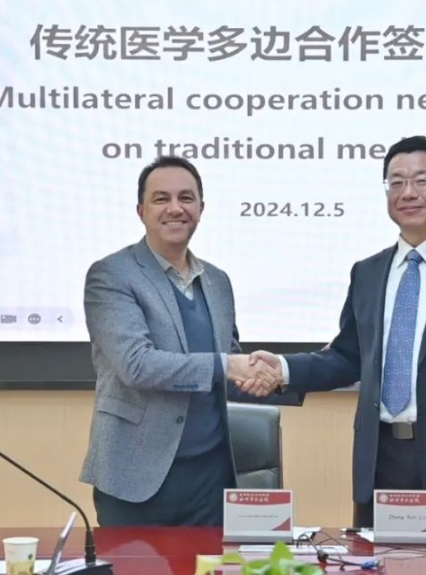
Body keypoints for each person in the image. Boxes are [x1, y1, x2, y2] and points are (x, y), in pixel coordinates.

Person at [244, 136, 426, 528]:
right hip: (380, 463)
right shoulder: (368, 272)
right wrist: (283, 368)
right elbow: (348, 357)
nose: (407, 193)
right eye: (396, 182)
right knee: (375, 559)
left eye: (421, 180)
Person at [79, 155, 300, 527]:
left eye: (186, 198)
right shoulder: (112, 275)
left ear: (201, 209)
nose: (175, 208)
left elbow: (229, 371)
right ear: (141, 210)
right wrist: (228, 365)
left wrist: (283, 375)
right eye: (161, 199)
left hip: (210, 480)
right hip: (136, 479)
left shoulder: (218, 281)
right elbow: (137, 365)